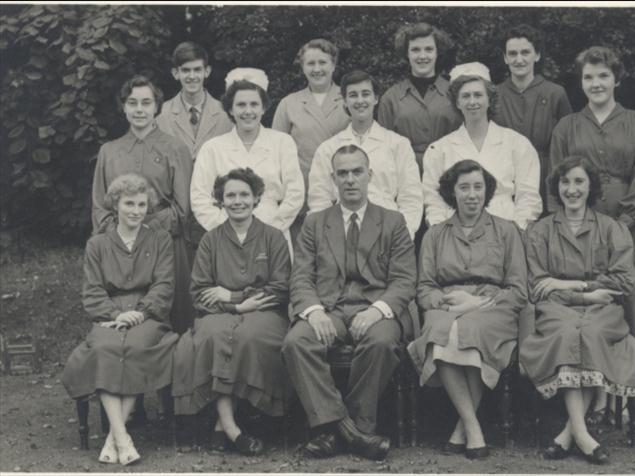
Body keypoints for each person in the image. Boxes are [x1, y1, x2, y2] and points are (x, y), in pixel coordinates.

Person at [549, 46, 635, 419]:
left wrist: (617, 228)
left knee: (625, 304)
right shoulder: (567, 126)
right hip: (577, 227)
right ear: (580, 82)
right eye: (588, 77)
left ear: (616, 79)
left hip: (627, 226)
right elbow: (556, 181)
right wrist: (573, 227)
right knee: (587, 302)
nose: (596, 83)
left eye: (603, 76)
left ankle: (622, 395)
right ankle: (589, 391)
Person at [282, 144, 417, 461]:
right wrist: (314, 312)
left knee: (381, 342)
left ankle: (344, 429)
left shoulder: (393, 221)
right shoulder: (315, 223)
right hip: (329, 309)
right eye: (342, 173)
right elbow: (300, 278)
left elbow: (404, 280)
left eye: (357, 172)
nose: (350, 179)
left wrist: (376, 311)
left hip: (375, 308)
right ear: (333, 179)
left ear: (370, 175)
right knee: (296, 342)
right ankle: (353, 433)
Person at [518, 156, 635, 465]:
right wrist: (585, 290)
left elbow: (625, 281)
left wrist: (562, 285)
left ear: (591, 187)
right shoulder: (541, 231)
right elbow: (536, 285)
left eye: (579, 182)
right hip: (557, 310)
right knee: (569, 332)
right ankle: (584, 436)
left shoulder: (611, 228)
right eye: (565, 182)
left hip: (603, 311)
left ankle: (569, 434)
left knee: (590, 331)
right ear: (557, 188)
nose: (572, 189)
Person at [408, 159, 528, 460]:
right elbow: (424, 287)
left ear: (487, 191)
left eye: (478, 187)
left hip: (492, 306)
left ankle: (463, 428)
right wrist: (446, 302)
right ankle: (473, 427)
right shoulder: (435, 234)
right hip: (446, 305)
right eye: (464, 188)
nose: (472, 194)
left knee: (469, 329)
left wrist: (478, 302)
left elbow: (518, 290)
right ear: (452, 192)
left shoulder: (506, 231)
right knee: (441, 330)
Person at [172, 168, 291, 456]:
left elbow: (281, 288)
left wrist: (235, 294)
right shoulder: (210, 240)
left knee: (249, 337)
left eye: (244, 195)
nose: (238, 201)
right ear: (220, 201)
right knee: (213, 335)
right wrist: (235, 305)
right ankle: (229, 427)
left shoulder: (273, 238)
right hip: (220, 313)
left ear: (257, 198)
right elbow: (199, 293)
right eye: (230, 196)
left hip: (265, 314)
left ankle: (235, 422)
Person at [64, 174, 179, 466]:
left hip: (148, 314)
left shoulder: (160, 239)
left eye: (141, 204)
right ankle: (122, 435)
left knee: (137, 349)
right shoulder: (97, 244)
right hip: (109, 315)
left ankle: (114, 437)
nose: (136, 210)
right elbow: (92, 291)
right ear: (116, 204)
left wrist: (141, 312)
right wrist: (116, 314)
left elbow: (164, 285)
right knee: (105, 350)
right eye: (129, 203)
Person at [91, 75, 193, 334]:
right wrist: (119, 234)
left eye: (146, 103)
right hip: (120, 241)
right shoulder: (109, 151)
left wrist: (148, 229)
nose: (139, 109)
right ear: (124, 107)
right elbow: (100, 206)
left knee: (173, 313)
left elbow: (183, 209)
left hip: (165, 239)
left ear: (157, 107)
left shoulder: (175, 148)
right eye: (132, 102)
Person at [191, 68, 305, 256]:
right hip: (226, 236)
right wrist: (227, 231)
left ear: (263, 108)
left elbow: (295, 193)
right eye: (241, 105)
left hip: (273, 230)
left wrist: (271, 230)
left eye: (254, 104)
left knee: (274, 283)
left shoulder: (282, 142)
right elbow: (200, 198)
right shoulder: (212, 148)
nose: (248, 111)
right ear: (230, 109)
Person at [422, 62, 542, 231]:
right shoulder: (439, 149)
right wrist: (443, 233)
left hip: (505, 229)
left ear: (489, 99)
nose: (472, 102)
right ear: (457, 102)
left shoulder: (517, 143)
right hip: (456, 233)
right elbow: (433, 199)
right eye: (465, 96)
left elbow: (528, 198)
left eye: (478, 95)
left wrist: (516, 231)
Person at [308, 70, 423, 238]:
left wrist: (402, 235)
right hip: (343, 234)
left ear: (376, 99)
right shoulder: (328, 148)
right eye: (353, 95)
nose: (360, 101)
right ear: (345, 101)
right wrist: (330, 238)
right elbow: (319, 200)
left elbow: (411, 197)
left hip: (388, 233)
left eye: (366, 94)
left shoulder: (398, 144)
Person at [157, 41, 234, 268]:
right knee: (177, 270)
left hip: (213, 204)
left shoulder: (225, 113)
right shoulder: (161, 115)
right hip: (175, 204)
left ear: (207, 71)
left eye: (197, 70)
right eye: (185, 70)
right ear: (175, 73)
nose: (192, 76)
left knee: (212, 267)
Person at [272, 39, 351, 243]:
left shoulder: (350, 100)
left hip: (342, 191)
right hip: (301, 197)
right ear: (302, 67)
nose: (317, 69)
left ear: (333, 65)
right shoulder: (288, 104)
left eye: (323, 63)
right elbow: (274, 155)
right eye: (310, 63)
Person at [494, 25, 572, 213]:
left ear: (537, 55)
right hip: (505, 177)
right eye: (512, 54)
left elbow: (569, 143)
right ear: (505, 58)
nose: (519, 59)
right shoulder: (494, 94)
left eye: (525, 52)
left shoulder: (555, 93)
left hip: (545, 176)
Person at [377, 22, 461, 174]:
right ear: (407, 54)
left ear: (437, 52)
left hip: (448, 174)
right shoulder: (391, 98)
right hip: (404, 177)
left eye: (429, 49)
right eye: (415, 50)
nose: (422, 56)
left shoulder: (456, 93)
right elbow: (383, 149)